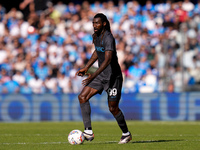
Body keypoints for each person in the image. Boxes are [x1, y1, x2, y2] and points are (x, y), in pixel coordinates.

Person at [76, 13, 132, 144]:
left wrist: (92, 75)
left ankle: (126, 134)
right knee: (82, 97)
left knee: (113, 108)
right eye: (93, 23)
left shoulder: (109, 38)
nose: (95, 26)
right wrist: (86, 67)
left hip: (113, 77)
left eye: (97, 23)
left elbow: (107, 60)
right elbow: (97, 52)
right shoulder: (95, 36)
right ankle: (88, 131)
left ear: (104, 23)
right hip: (101, 75)